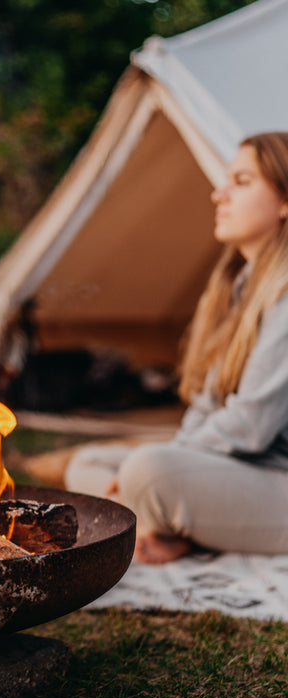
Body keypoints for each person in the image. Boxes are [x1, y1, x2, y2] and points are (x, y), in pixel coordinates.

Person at [64, 132, 288, 564]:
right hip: (241, 472)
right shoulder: (237, 288)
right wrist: (178, 455)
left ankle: (161, 521)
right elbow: (208, 407)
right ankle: (166, 526)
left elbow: (250, 426)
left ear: (284, 202)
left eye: (241, 182)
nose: (218, 194)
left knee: (147, 472)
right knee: (87, 463)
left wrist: (169, 462)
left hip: (277, 481)